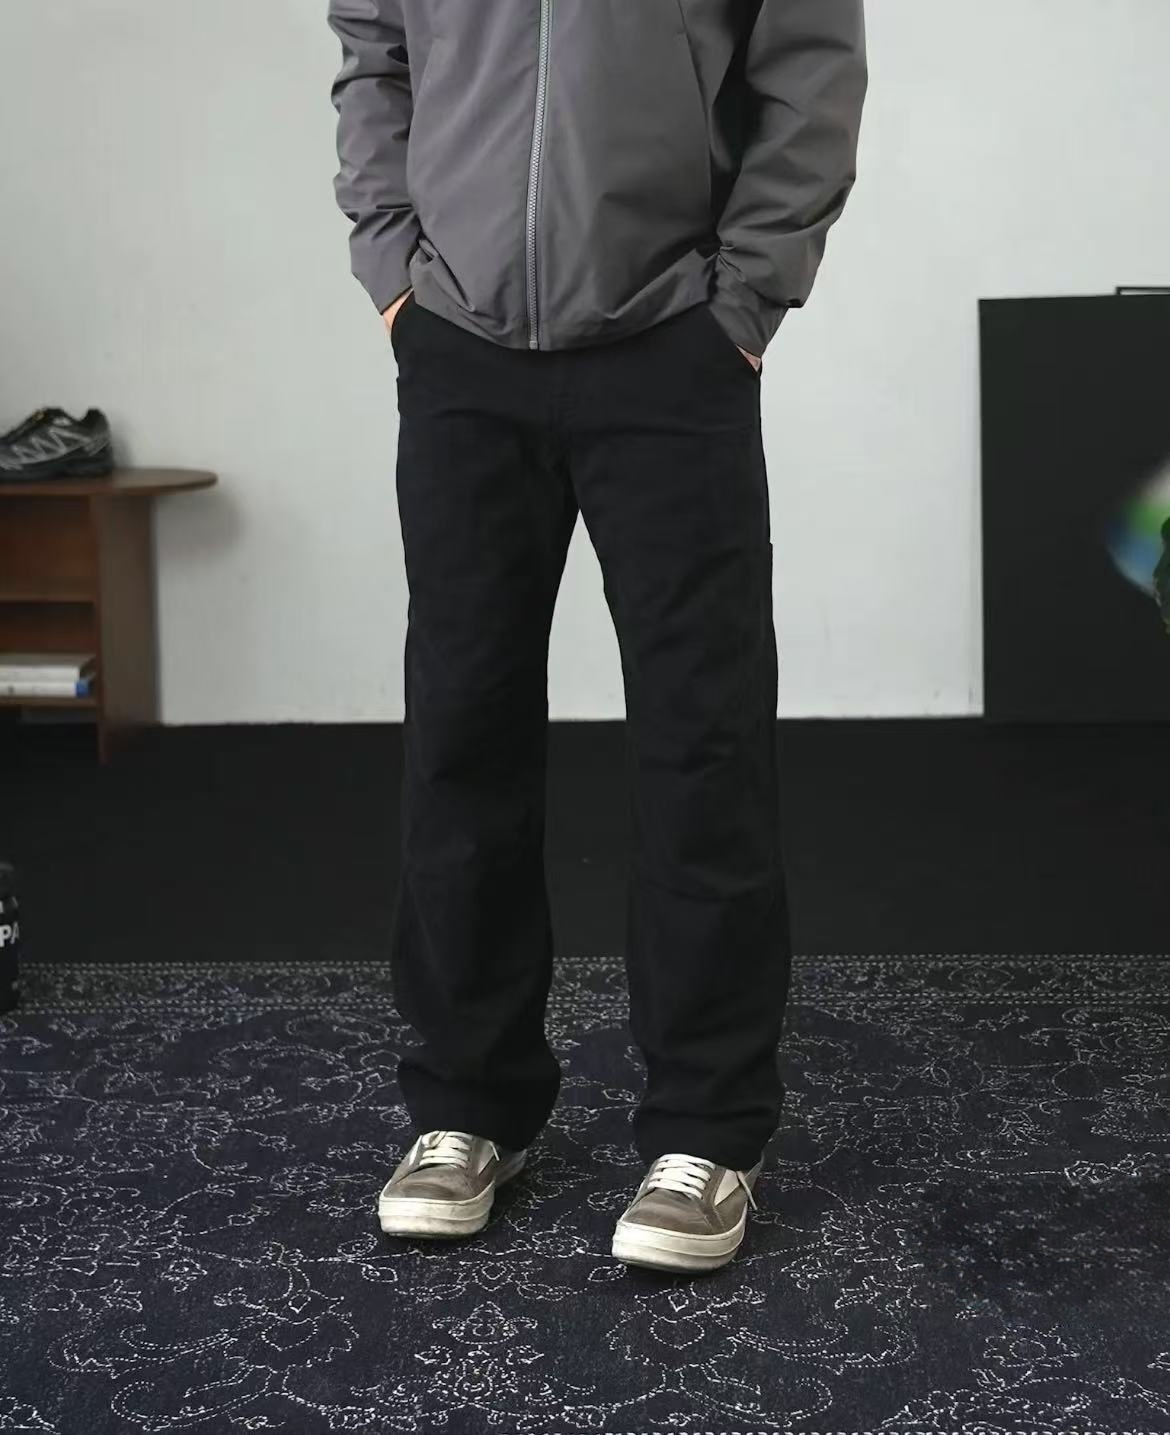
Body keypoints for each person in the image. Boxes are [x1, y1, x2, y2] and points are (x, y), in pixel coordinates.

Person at [327, 0, 867, 1274]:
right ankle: (469, 1104)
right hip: (460, 348)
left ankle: (706, 1128)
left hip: (672, 346)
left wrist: (745, 298)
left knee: (702, 741)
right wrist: (394, 269)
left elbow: (810, 68)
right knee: (462, 731)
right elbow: (374, 50)